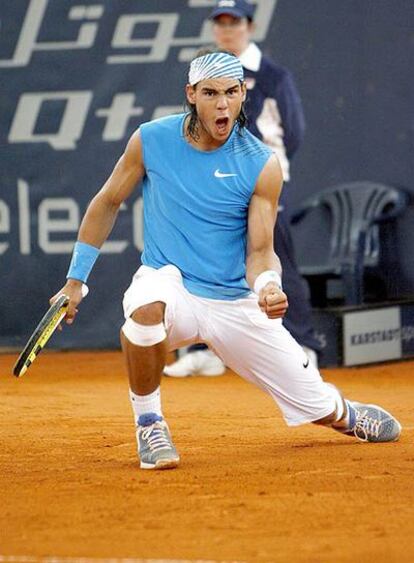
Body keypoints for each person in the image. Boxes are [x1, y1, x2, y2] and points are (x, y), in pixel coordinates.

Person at [52, 49, 401, 471]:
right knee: (144, 316)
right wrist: (76, 280)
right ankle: (149, 422)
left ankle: (342, 411)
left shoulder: (260, 164)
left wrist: (267, 284)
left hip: (235, 300)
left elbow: (259, 250)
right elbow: (107, 202)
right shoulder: (151, 139)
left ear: (242, 95)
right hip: (171, 280)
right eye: (211, 93)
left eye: (232, 92)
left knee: (319, 408)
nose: (222, 104)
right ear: (191, 94)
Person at [164, 0, 320, 378]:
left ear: (249, 26)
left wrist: (266, 168)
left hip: (261, 182)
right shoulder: (206, 75)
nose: (226, 30)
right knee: (209, 262)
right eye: (219, 23)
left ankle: (303, 345)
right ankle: (207, 349)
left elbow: (293, 132)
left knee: (275, 256)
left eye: (233, 22)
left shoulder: (272, 76)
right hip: (217, 186)